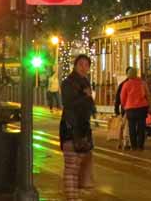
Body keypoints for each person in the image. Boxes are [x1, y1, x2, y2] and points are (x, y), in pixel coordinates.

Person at [60, 55, 96, 200]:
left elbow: (91, 108)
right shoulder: (68, 83)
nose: (83, 67)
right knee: (71, 168)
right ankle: (71, 198)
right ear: (75, 66)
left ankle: (74, 196)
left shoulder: (85, 82)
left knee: (78, 167)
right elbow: (69, 103)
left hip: (83, 129)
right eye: (80, 64)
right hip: (71, 128)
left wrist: (88, 98)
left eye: (86, 65)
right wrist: (85, 96)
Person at [120, 67, 151, 150]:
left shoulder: (126, 84)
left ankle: (133, 146)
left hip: (130, 109)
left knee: (131, 127)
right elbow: (147, 94)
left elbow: (122, 97)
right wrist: (150, 105)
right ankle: (140, 145)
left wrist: (124, 106)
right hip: (142, 108)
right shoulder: (142, 83)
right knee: (141, 127)